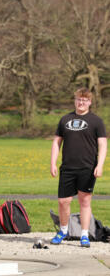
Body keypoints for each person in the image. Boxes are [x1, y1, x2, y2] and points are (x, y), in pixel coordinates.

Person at [50, 88, 107, 248]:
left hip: (87, 167)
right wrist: (53, 162)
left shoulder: (96, 121)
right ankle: (63, 230)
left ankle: (84, 234)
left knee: (85, 200)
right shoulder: (65, 119)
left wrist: (100, 165)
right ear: (74, 100)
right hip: (68, 167)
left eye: (85, 100)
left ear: (90, 102)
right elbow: (56, 142)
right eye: (78, 99)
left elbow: (103, 144)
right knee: (63, 201)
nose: (81, 102)